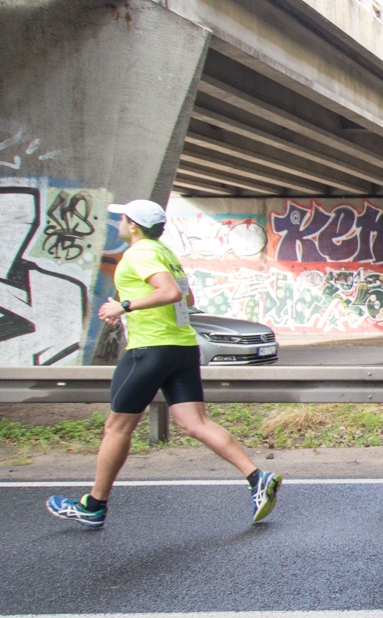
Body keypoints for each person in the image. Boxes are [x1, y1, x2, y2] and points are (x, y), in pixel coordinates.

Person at [46, 199, 281, 528]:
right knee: (194, 422)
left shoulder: (139, 253)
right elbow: (188, 299)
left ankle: (93, 505)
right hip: (182, 347)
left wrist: (124, 306)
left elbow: (169, 293)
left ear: (134, 226)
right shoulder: (166, 254)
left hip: (150, 349)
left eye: (123, 218)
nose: (119, 222)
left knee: (117, 428)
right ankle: (257, 477)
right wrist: (133, 306)